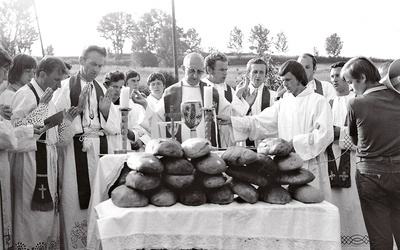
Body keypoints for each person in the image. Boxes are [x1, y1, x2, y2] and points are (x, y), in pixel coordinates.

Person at [218, 60, 333, 201]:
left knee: (312, 204)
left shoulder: (318, 101)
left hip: (311, 164)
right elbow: (260, 122)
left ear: (299, 78)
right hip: (286, 166)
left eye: (288, 80)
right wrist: (233, 120)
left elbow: (325, 134)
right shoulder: (284, 103)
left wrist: (295, 143)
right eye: (283, 80)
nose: (284, 84)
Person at [52, 45, 120, 249]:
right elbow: (55, 126)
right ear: (81, 61)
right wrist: (78, 112)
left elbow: (115, 127)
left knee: (99, 198)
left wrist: (106, 111)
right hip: (75, 152)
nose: (96, 70)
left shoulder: (101, 89)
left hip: (99, 151)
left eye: (100, 65)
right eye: (92, 64)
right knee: (74, 201)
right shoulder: (64, 88)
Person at [10, 56, 78, 249]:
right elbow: (13, 132)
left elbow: (58, 141)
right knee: (30, 215)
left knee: (47, 218)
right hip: (29, 160)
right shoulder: (26, 94)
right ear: (41, 74)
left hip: (48, 159)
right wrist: (40, 110)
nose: (59, 85)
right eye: (56, 79)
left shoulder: (50, 98)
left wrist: (66, 122)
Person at [342, 56, 400, 249]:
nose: (351, 88)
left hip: (370, 173)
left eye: (351, 82)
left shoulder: (355, 103)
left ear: (363, 78)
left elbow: (354, 138)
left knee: (379, 237)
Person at [328, 61, 369, 249]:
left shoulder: (359, 102)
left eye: (338, 76)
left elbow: (364, 136)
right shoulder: (326, 103)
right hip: (330, 163)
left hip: (354, 162)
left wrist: (339, 133)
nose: (334, 80)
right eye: (332, 76)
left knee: (354, 206)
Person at [150, 52, 220, 146]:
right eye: (191, 71)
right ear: (183, 69)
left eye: (199, 72)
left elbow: (229, 116)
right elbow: (156, 121)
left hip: (206, 152)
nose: (195, 75)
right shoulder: (170, 93)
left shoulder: (212, 93)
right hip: (179, 154)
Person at [202, 52, 249, 148]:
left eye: (226, 69)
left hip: (226, 140)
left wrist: (238, 96)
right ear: (209, 70)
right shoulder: (201, 87)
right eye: (221, 70)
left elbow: (238, 114)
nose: (225, 73)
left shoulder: (228, 90)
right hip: (206, 136)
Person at [102, 70, 149, 151]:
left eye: (120, 87)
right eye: (114, 87)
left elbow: (137, 128)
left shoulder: (128, 104)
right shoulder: (100, 103)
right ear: (105, 86)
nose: (118, 90)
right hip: (106, 144)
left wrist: (129, 132)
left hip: (125, 145)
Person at [241, 57, 277, 147]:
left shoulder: (273, 96)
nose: (258, 75)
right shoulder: (239, 95)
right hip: (244, 143)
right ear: (248, 73)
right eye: (254, 72)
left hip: (267, 144)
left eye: (261, 72)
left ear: (266, 75)